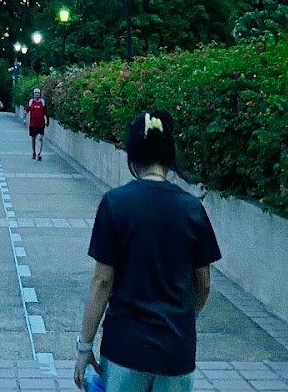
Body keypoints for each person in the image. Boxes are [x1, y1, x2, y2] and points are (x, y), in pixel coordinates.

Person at [73, 110, 221, 392]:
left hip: (125, 348)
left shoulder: (115, 204)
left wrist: (84, 347)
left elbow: (102, 282)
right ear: (168, 156)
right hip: (176, 351)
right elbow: (203, 285)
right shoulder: (192, 208)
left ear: (132, 155)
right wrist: (182, 322)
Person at [25, 87, 49, 160]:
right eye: (35, 93)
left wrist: (47, 121)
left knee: (40, 138)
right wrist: (24, 119)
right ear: (33, 94)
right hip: (33, 124)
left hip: (41, 123)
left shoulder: (42, 102)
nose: (37, 94)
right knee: (33, 139)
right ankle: (34, 152)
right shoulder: (31, 102)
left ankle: (39, 153)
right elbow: (26, 111)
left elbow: (45, 113)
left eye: (38, 93)